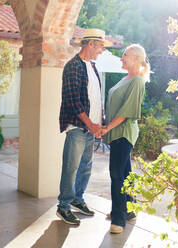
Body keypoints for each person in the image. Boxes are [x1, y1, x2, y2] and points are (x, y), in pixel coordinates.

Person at [57, 28, 112, 225]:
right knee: (71, 167)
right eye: (100, 46)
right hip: (78, 127)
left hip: (91, 128)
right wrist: (90, 124)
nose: (101, 51)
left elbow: (95, 98)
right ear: (90, 44)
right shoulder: (73, 66)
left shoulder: (93, 66)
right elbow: (73, 101)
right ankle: (63, 206)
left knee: (86, 167)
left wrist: (99, 125)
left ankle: (77, 199)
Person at [102, 44, 150, 234]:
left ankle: (118, 219)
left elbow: (126, 112)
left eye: (125, 56)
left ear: (137, 58)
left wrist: (107, 128)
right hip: (117, 132)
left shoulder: (137, 81)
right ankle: (129, 210)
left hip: (124, 133)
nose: (121, 59)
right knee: (125, 172)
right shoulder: (126, 78)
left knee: (116, 174)